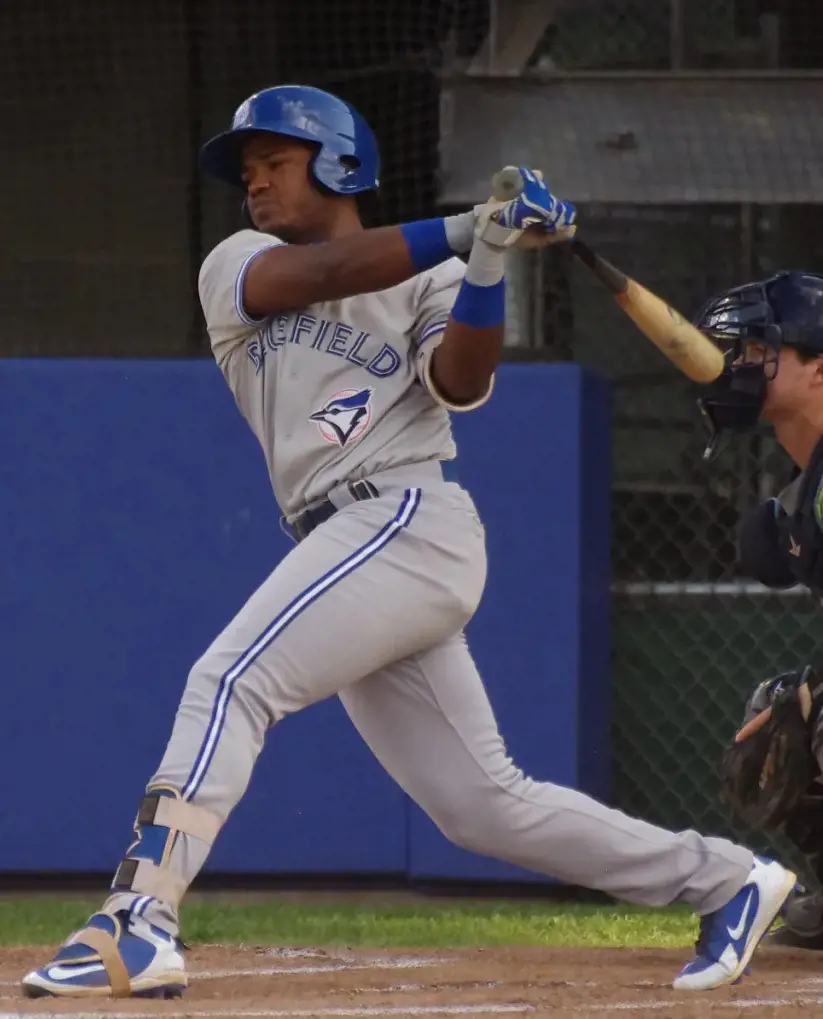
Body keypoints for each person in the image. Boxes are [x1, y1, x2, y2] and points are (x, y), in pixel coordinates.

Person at [22, 84, 796, 1001]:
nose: (254, 182)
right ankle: (725, 877)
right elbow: (319, 277)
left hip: (403, 519)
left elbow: (461, 382)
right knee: (478, 803)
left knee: (230, 680)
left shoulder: (434, 274)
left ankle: (138, 916)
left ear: (339, 163)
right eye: (246, 168)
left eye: (275, 160)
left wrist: (487, 259)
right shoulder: (238, 261)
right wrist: (473, 224)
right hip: (348, 539)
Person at [694, 269, 823, 950]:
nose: (738, 365)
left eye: (756, 352)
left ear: (818, 367)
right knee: (778, 713)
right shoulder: (797, 502)